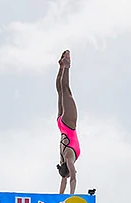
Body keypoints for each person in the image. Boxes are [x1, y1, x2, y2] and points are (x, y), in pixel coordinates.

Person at [55, 50, 80, 194]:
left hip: (69, 124)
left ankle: (67, 66)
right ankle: (61, 67)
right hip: (61, 124)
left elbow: (71, 178)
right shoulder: (62, 160)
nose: (73, 171)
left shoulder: (69, 159)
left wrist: (71, 196)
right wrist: (60, 197)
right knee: (60, 91)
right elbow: (63, 179)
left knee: (65, 90)